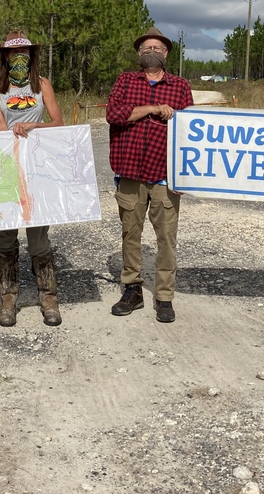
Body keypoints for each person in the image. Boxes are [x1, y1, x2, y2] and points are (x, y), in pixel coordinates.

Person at [106, 26, 193, 323]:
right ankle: (132, 289)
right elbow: (114, 114)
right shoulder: (125, 81)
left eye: (157, 47)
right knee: (131, 234)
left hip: (165, 175)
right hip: (130, 172)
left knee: (166, 237)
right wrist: (153, 109)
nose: (151, 51)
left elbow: (190, 134)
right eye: (146, 47)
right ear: (139, 53)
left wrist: (184, 175)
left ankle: (164, 296)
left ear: (167, 53)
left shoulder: (180, 87)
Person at [0, 31, 65, 327]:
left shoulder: (42, 84)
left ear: (32, 55)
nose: (18, 57)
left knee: (38, 233)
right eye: (12, 53)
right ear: (4, 56)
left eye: (24, 52)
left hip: (38, 164)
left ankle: (48, 297)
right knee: (6, 231)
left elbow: (58, 122)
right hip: (8, 163)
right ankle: (8, 299)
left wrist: (34, 124)